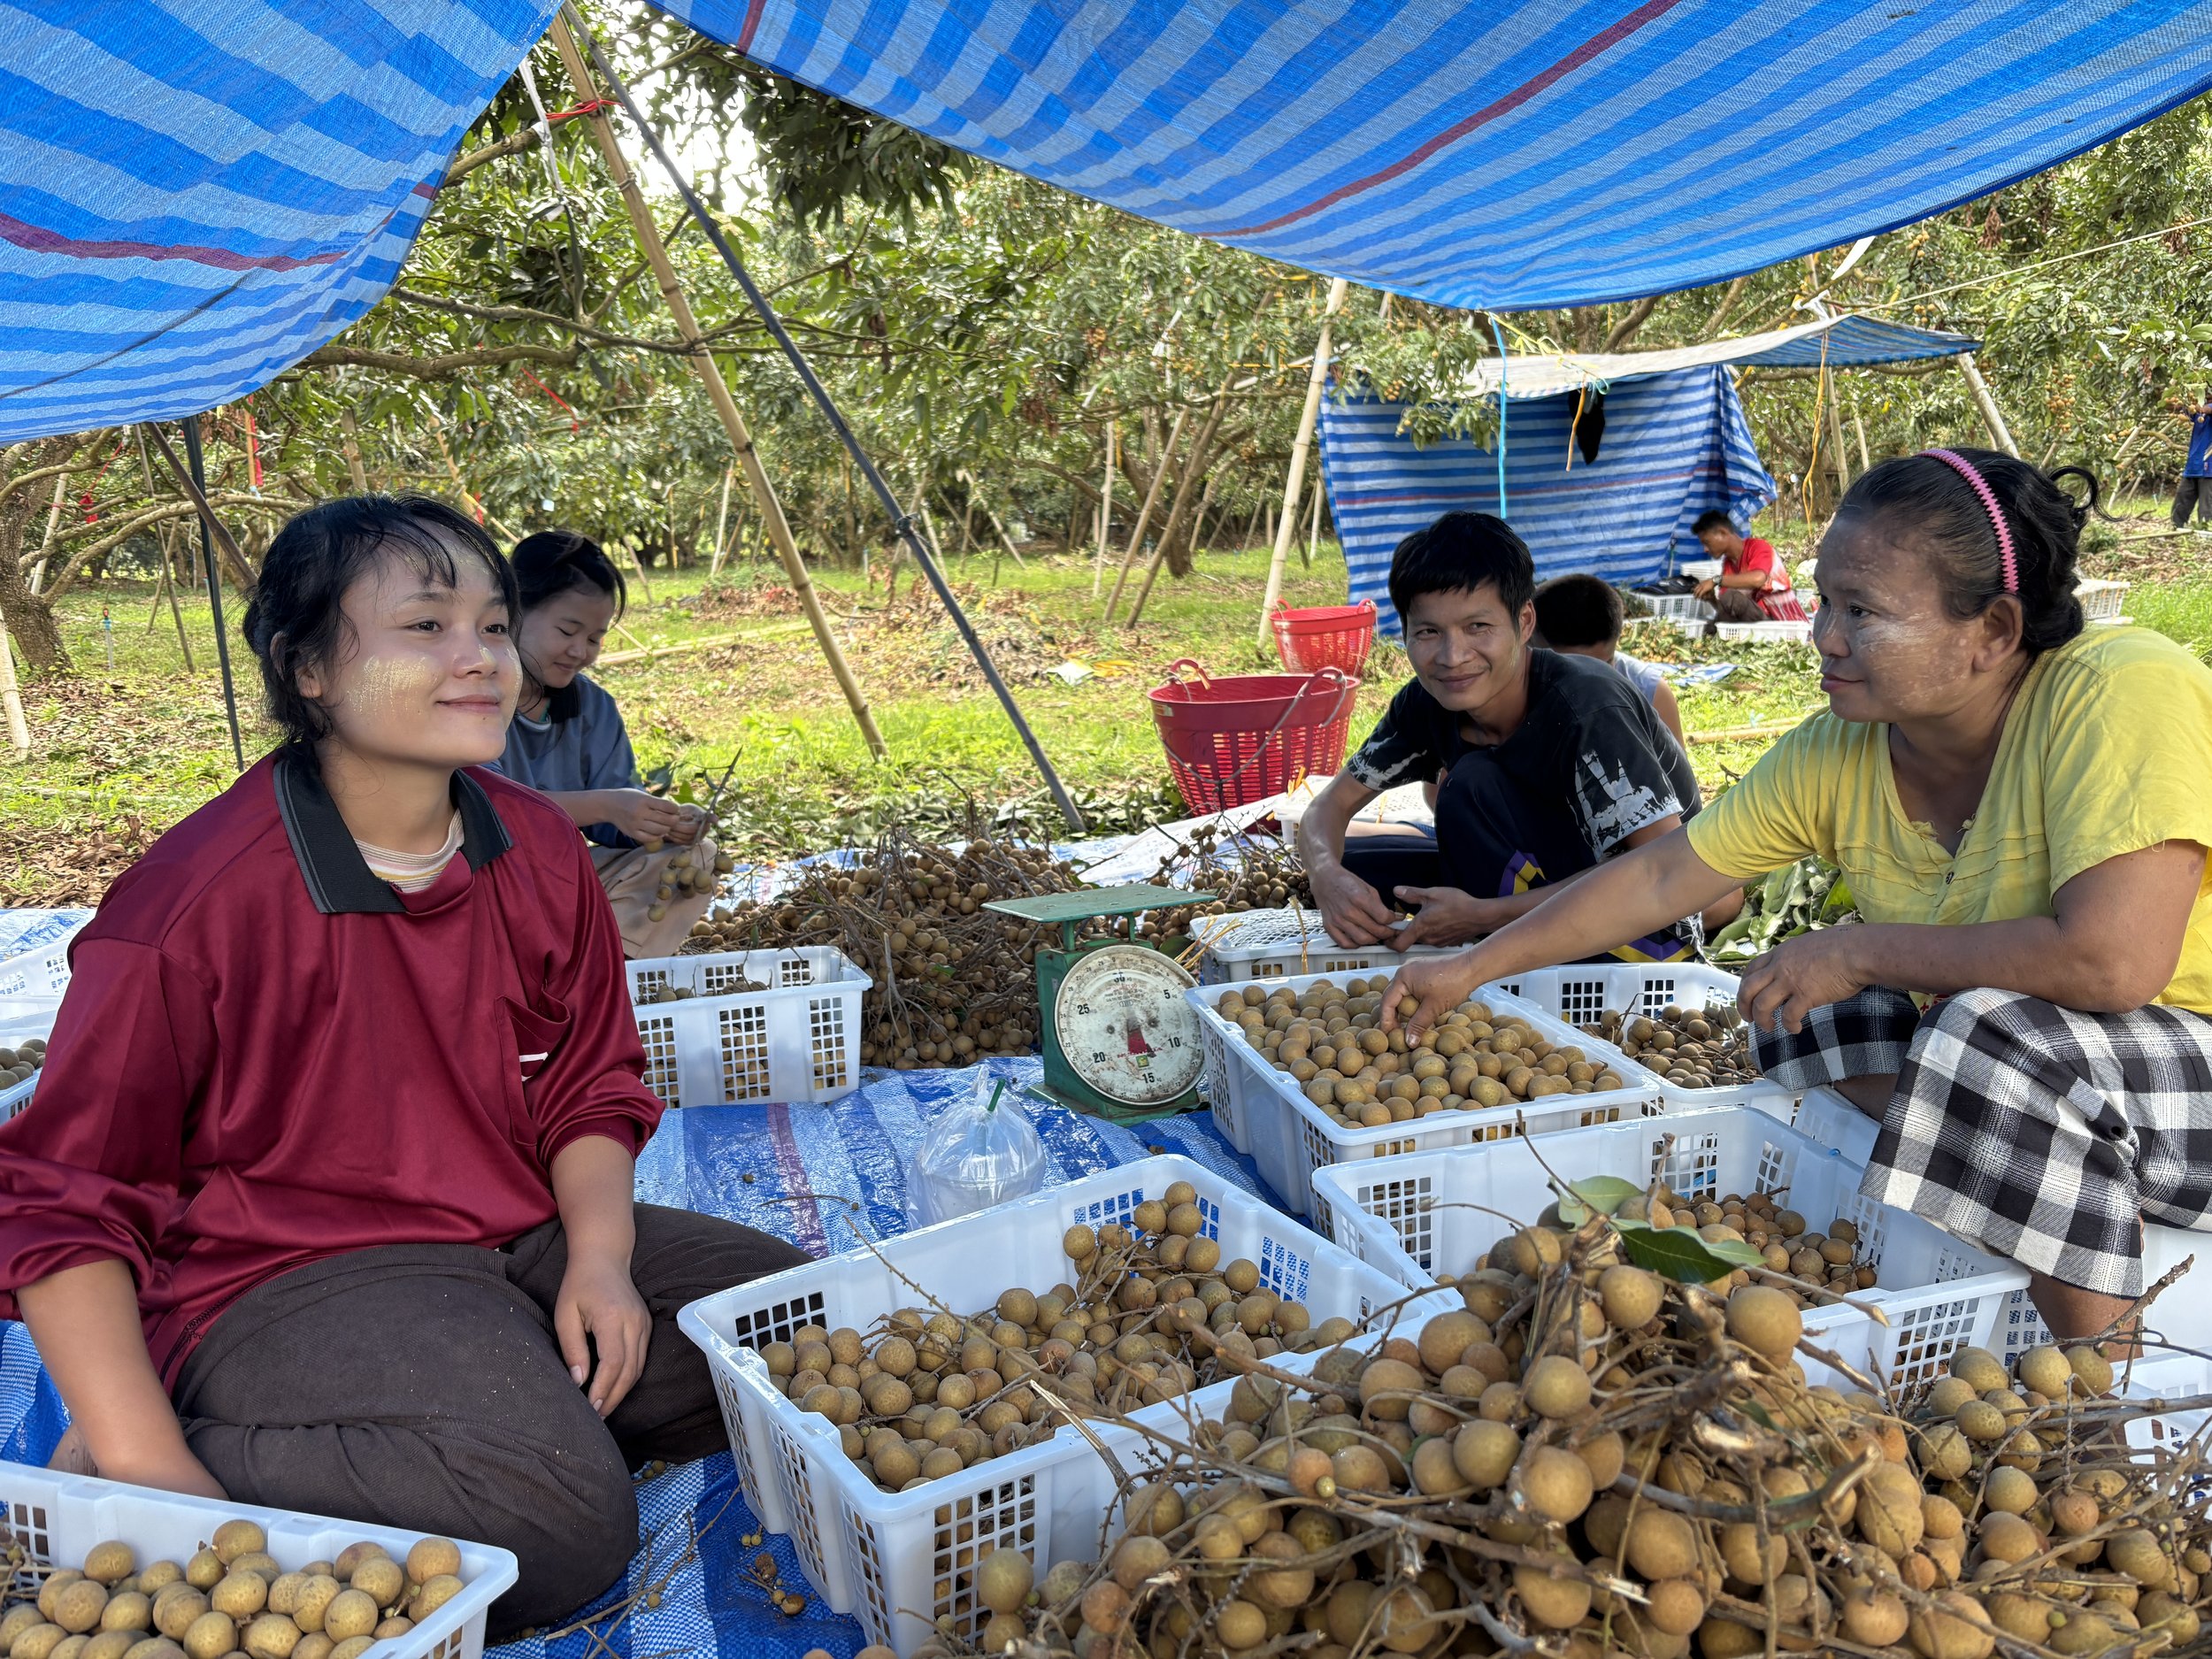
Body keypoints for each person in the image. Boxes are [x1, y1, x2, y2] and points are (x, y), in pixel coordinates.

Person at [0, 496, 809, 1632]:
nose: (478, 659)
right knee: (566, 1523)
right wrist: (145, 1450)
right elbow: (62, 1191)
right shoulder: (193, 904)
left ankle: (476, 1414)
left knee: (791, 1340)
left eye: (490, 624)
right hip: (285, 1273)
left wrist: (601, 1259)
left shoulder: (536, 849)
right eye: (425, 627)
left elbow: (588, 1075)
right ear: (310, 668)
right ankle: (192, 1439)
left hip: (502, 1235)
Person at [1377, 449, 2212, 1343]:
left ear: (1994, 631)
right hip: (2080, 1087)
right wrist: (1471, 965)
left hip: (2181, 1080)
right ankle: (1997, 1194)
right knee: (1792, 1009)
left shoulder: (2114, 688)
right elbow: (1662, 877)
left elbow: (2111, 958)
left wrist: (1854, 949)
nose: (1823, 636)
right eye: (1822, 601)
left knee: (1981, 1033)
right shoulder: (1842, 748)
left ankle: (2105, 1389)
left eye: (1862, 612)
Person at [1298, 511, 1737, 956]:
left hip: (1649, 920)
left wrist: (1483, 915)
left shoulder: (1588, 707)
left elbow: (1661, 871)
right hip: (1543, 878)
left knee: (1470, 786)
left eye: (1477, 627)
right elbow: (1328, 807)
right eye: (1428, 631)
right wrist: (1326, 876)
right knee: (1359, 870)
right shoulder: (1425, 703)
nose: (1452, 656)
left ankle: (1495, 949)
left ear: (1524, 623)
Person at [497, 530, 718, 958]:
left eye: (595, 638)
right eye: (567, 630)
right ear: (513, 612)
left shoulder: (592, 707)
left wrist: (659, 823)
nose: (580, 650)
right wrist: (607, 804)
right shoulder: (478, 699)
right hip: (489, 886)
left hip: (560, 882)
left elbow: (614, 815)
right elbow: (487, 809)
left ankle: (611, 971)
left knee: (695, 859)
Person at [1532, 572, 1689, 749]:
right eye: (1569, 670)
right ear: (1532, 647)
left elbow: (1673, 773)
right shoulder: (1514, 690)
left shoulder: (1648, 691)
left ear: (1615, 645)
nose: (1587, 685)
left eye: (1604, 666)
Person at [1692, 509, 1808, 622]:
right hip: (1760, 621)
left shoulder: (1758, 547)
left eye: (1707, 542)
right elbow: (1728, 611)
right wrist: (1712, 599)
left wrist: (1715, 580)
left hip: (1785, 622)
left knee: (1731, 596)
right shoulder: (1728, 564)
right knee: (1713, 623)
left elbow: (1758, 579)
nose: (1705, 549)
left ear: (1723, 533)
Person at [2172, 387, 2212, 530]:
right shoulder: (2199, 410)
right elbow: (2177, 409)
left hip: (2209, 468)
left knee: (2207, 509)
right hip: (2193, 466)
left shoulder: (2205, 409)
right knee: (2181, 501)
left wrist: (2197, 406)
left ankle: (2206, 534)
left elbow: (2206, 409)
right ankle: (2176, 528)